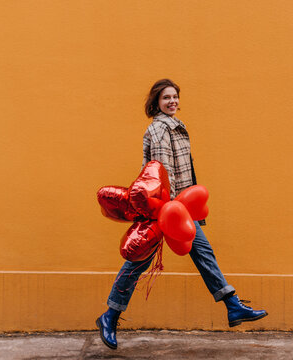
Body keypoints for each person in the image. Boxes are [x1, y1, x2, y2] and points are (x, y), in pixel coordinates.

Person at [96, 79, 268, 350]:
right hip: (166, 208)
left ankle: (232, 306)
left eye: (175, 97)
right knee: (138, 263)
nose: (172, 101)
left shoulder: (177, 126)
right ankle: (110, 316)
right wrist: (172, 210)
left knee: (203, 252)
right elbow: (164, 171)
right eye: (166, 98)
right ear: (157, 102)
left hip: (179, 208)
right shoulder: (161, 128)